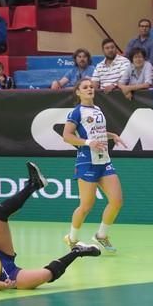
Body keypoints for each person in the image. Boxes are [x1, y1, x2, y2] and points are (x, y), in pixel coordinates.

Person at [0, 162, 101, 292]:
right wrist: (4, 285)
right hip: (6, 275)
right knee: (46, 275)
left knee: (0, 211)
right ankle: (77, 251)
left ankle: (34, 184)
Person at [62, 78, 126, 253]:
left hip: (104, 160)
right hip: (87, 162)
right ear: (78, 92)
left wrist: (113, 136)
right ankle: (72, 238)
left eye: (91, 86)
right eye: (85, 87)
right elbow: (67, 136)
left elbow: (97, 132)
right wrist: (88, 142)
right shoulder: (76, 112)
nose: (90, 89)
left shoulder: (97, 109)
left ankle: (101, 235)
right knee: (86, 206)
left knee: (117, 201)